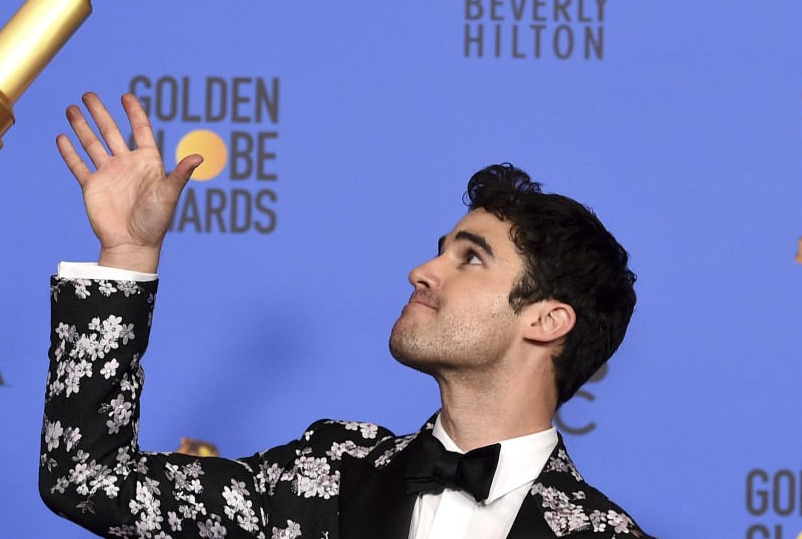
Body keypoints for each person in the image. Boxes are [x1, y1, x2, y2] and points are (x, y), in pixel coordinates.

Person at [40, 92, 655, 538]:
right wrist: (127, 254)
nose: (423, 270)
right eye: (441, 248)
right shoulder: (326, 474)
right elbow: (88, 478)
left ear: (546, 321)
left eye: (471, 259)